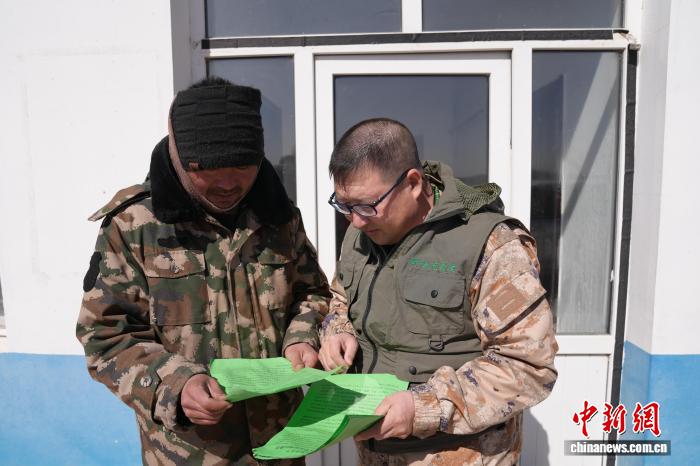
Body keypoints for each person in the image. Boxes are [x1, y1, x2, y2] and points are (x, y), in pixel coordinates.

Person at [77, 77, 330, 465]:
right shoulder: (134, 226)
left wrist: (302, 336)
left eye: (243, 166)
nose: (228, 183)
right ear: (178, 156)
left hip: (282, 449)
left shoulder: (279, 217)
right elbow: (105, 335)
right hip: (188, 454)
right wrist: (177, 384)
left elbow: (311, 294)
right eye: (207, 169)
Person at [318, 118, 558, 465]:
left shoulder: (491, 245)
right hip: (376, 454)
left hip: (460, 455)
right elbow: (340, 299)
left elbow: (528, 366)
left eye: (367, 205)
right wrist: (338, 330)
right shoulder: (362, 234)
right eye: (344, 206)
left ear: (413, 183)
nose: (355, 221)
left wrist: (423, 407)